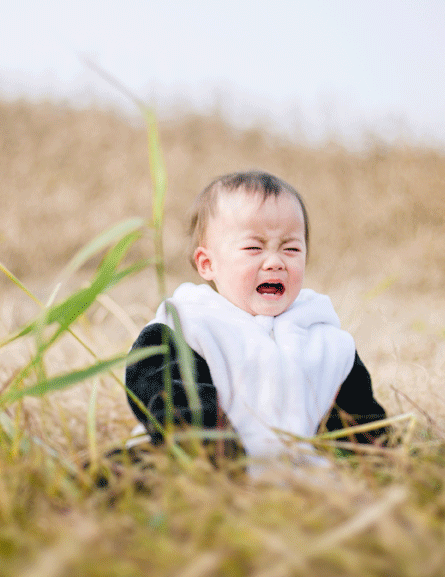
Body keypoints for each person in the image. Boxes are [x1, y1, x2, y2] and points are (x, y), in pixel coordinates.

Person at [124, 171, 387, 472]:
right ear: (208, 264)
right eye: (253, 248)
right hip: (189, 463)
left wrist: (383, 458)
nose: (275, 261)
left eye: (291, 248)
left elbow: (361, 423)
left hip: (290, 471)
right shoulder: (188, 326)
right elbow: (169, 397)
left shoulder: (325, 342)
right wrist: (213, 455)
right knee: (131, 473)